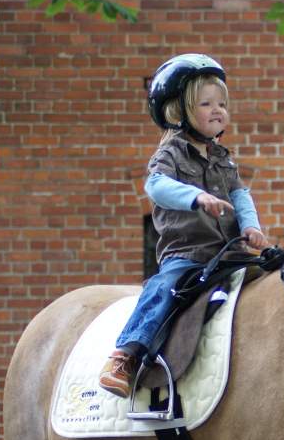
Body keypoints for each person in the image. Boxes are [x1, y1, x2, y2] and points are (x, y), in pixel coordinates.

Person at [99, 53, 268, 398]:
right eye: (206, 103)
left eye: (222, 103)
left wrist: (252, 227)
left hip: (229, 253)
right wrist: (196, 197)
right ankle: (125, 356)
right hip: (188, 254)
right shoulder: (171, 154)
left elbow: (240, 196)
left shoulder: (223, 158)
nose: (218, 109)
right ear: (178, 112)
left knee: (274, 275)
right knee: (165, 287)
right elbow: (156, 187)